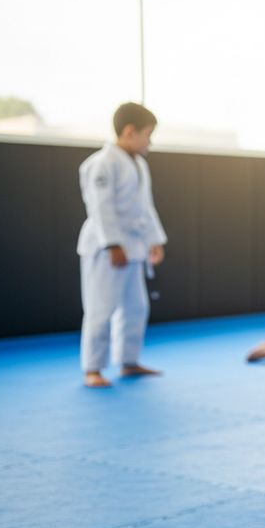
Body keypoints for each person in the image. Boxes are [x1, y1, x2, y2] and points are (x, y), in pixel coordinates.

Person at [77, 102, 166, 388]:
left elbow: (146, 208)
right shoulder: (102, 163)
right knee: (101, 308)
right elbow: (100, 207)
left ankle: (128, 361)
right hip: (107, 249)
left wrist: (155, 240)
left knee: (136, 307)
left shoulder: (139, 164)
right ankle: (93, 368)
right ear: (129, 132)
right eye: (147, 135)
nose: (149, 142)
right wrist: (112, 244)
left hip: (134, 246)